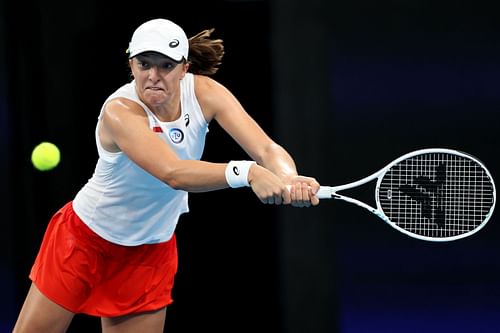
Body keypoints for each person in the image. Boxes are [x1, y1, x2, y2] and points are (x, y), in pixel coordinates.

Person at [13, 18, 320, 333]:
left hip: (150, 252)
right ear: (131, 64)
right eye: (144, 64)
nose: (153, 76)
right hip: (83, 241)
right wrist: (248, 172)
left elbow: (268, 149)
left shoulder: (206, 94)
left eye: (166, 66)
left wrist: (289, 178)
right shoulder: (120, 111)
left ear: (185, 68)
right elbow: (172, 173)